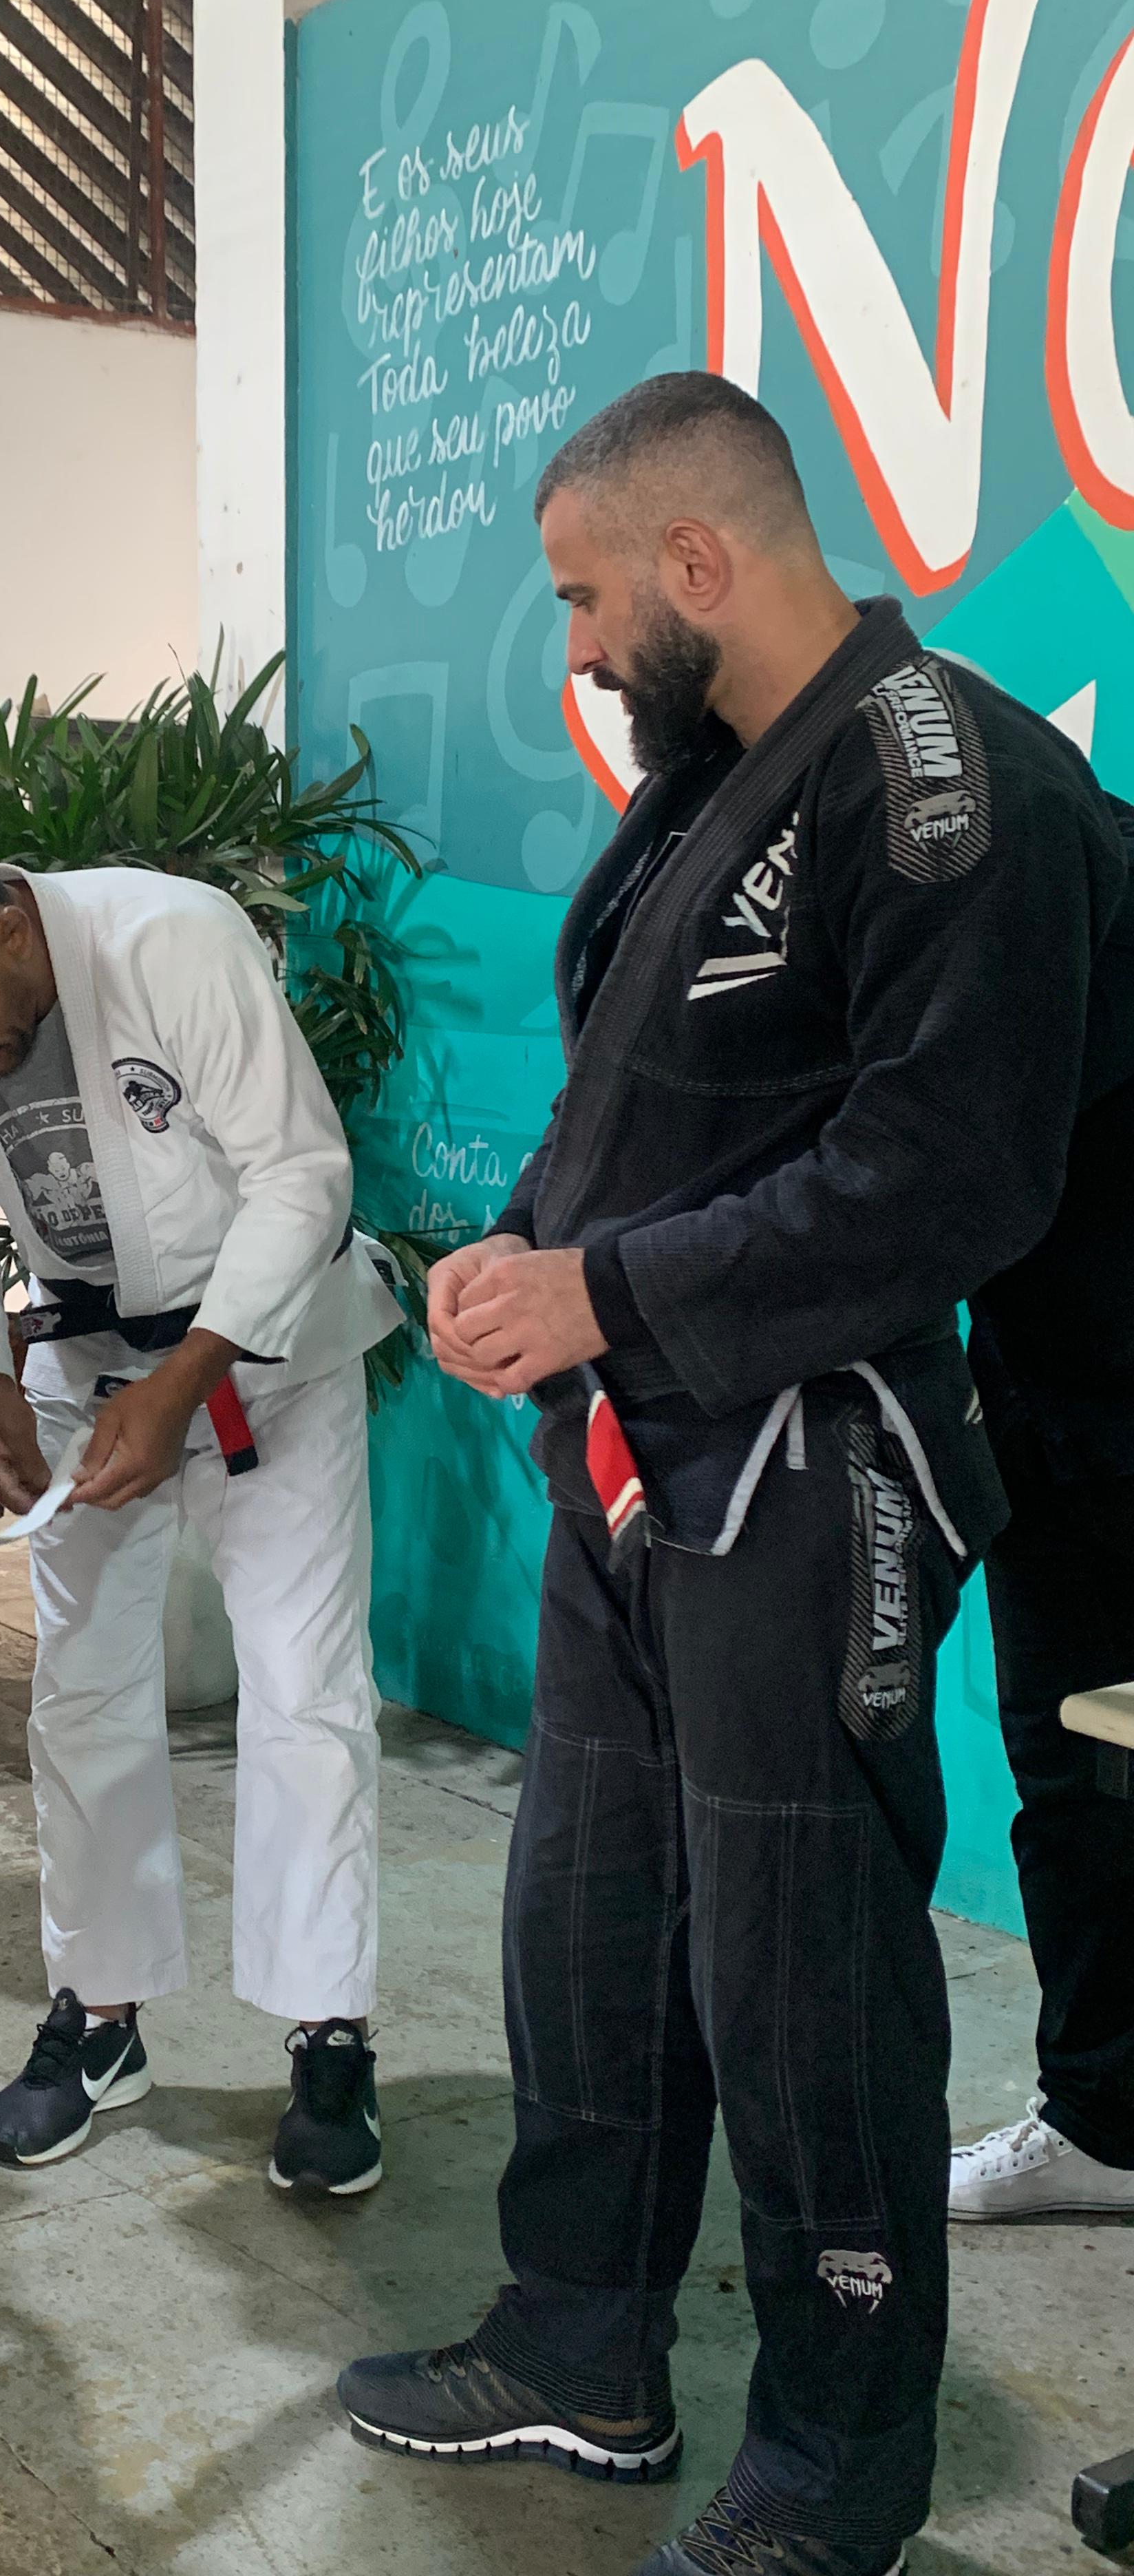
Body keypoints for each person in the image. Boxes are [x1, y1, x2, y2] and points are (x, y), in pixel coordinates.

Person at [332, 374, 1126, 2576]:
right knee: (590, 1924)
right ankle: (579, 2341)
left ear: (700, 560)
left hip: (816, 1466)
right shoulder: (708, 786)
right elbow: (654, 1104)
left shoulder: (952, 784)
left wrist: (602, 1292)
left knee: (803, 1980)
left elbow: (948, 1177)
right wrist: (530, 1255)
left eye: (589, 597)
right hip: (640, 1464)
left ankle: (839, 2461)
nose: (580, 646)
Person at [0, 830, 402, 2193]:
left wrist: (189, 1377)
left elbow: (303, 1174)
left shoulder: (170, 940)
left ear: (6, 926)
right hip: (83, 1359)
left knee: (304, 1686)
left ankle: (329, 2033)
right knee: (81, 1694)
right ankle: (100, 2017)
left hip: (272, 1360)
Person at [946, 791, 1134, 2220]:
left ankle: (1102, 2112)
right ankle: (1101, 2116)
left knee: (1078, 1778)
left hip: (1095, 1411)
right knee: (1069, 1780)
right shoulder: (1030, 872)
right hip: (1049, 1413)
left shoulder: (1062, 875)